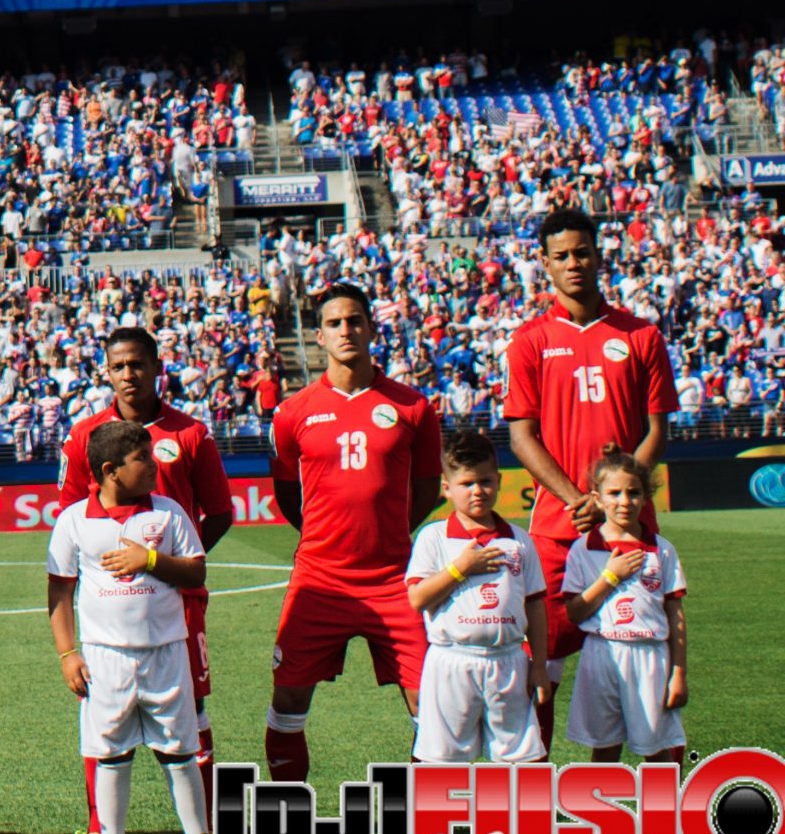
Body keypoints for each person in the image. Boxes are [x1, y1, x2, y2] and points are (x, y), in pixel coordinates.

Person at [54, 327, 231, 834]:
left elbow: (219, 512)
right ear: (107, 372)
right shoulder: (85, 435)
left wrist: (168, 567)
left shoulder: (191, 433)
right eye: (118, 366)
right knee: (105, 722)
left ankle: (205, 831)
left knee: (190, 709)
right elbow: (71, 525)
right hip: (112, 617)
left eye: (138, 364)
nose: (129, 374)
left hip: (176, 603)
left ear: (157, 367)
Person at [505, 208, 678, 756]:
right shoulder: (530, 340)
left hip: (629, 531)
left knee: (646, 662)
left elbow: (657, 431)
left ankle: (658, 816)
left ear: (599, 255)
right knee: (541, 669)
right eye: (562, 256)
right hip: (559, 528)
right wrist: (579, 499)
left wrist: (613, 498)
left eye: (582, 252)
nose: (573, 263)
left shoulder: (642, 335)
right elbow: (521, 438)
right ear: (546, 265)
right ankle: (534, 799)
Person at [265, 284, 443, 784]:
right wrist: (329, 534)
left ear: (371, 327)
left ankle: (424, 827)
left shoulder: (413, 407)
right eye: (336, 323)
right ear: (318, 336)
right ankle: (289, 826)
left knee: (429, 703)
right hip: (320, 580)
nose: (347, 330)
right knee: (288, 699)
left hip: (395, 580)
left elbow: (426, 489)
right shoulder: (292, 412)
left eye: (355, 320)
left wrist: (386, 532)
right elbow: (288, 496)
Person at [45, 420, 211, 834]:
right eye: (143, 458)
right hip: (104, 657)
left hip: (165, 649)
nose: (154, 465)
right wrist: (67, 653)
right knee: (112, 749)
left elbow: (196, 573)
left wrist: (151, 559)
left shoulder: (169, 513)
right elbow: (59, 593)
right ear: (110, 470)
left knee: (179, 748)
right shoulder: (74, 520)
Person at [403, 432, 548, 764]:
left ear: (498, 481)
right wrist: (461, 568)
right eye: (466, 483)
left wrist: (538, 666)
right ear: (447, 487)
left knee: (521, 758)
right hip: (451, 659)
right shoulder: (434, 537)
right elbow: (417, 599)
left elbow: (536, 606)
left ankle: (516, 817)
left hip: (509, 660)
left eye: (485, 481)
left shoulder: (519, 541)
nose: (477, 491)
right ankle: (434, 816)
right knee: (440, 759)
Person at [560, 454, 688, 763]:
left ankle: (664, 810)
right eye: (614, 493)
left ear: (646, 497)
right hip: (602, 653)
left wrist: (679, 673)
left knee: (656, 748)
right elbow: (575, 612)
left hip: (651, 655)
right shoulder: (584, 547)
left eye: (633, 492)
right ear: (597, 498)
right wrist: (610, 577)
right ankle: (598, 811)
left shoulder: (662, 548)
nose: (624, 501)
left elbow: (676, 615)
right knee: (605, 747)